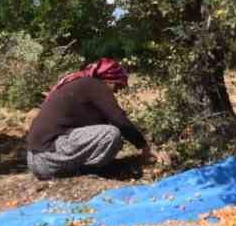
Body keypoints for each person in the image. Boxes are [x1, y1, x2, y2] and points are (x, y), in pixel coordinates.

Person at [25, 58, 153, 180]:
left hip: (36, 160)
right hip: (46, 158)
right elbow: (118, 119)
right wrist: (143, 146)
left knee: (108, 133)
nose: (116, 92)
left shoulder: (81, 86)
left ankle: (83, 169)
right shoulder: (94, 84)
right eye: (117, 86)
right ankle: (89, 171)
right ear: (109, 80)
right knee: (110, 134)